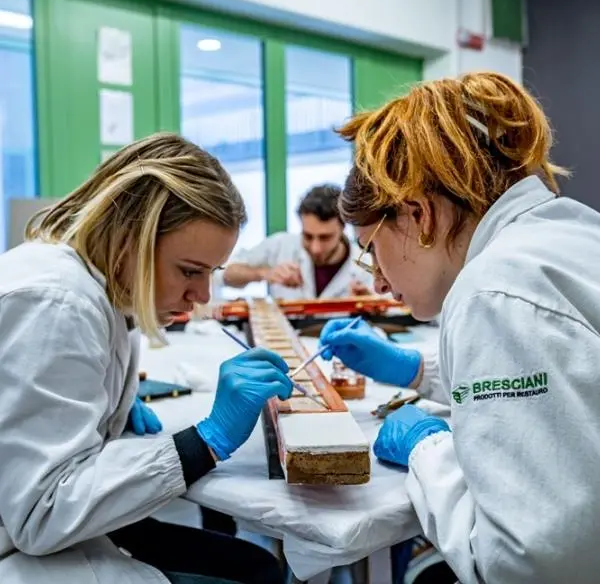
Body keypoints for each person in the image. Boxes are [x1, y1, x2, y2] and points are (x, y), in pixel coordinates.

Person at [319, 71, 600, 584]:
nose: (377, 281)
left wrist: (428, 448)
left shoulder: (493, 291)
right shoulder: (569, 233)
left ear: (418, 214)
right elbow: (570, 388)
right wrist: (416, 370)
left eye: (370, 251)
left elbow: (527, 565)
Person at [0, 133, 291, 584]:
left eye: (211, 273)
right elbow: (43, 512)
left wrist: (102, 405)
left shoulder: (97, 292)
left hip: (37, 528)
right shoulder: (58, 303)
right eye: (190, 270)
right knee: (253, 576)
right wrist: (204, 442)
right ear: (128, 238)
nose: (201, 295)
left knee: (254, 566)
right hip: (23, 546)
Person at [219, 183, 372, 300]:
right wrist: (264, 273)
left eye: (325, 237)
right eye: (308, 236)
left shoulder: (365, 265)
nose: (315, 248)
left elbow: (390, 315)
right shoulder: (280, 245)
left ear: (343, 227)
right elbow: (225, 274)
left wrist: (371, 303)